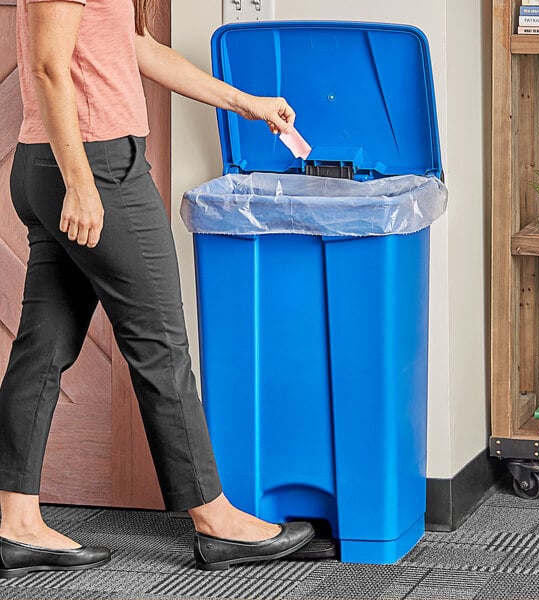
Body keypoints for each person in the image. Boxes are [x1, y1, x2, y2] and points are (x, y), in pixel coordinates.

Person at [0, 0, 314, 578]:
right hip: (95, 167)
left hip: (63, 162)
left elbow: (136, 46)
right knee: (160, 345)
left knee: (42, 349)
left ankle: (16, 522)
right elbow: (47, 66)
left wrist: (247, 103)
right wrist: (81, 184)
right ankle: (217, 522)